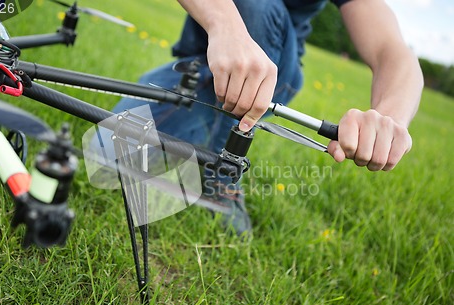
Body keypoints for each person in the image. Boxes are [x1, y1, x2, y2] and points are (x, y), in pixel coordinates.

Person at [112, 0, 423, 235]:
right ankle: (197, 146)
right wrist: (225, 25)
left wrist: (389, 119)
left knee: (258, 6)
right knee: (108, 149)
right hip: (201, 63)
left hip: (270, 77)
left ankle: (221, 179)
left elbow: (392, 50)